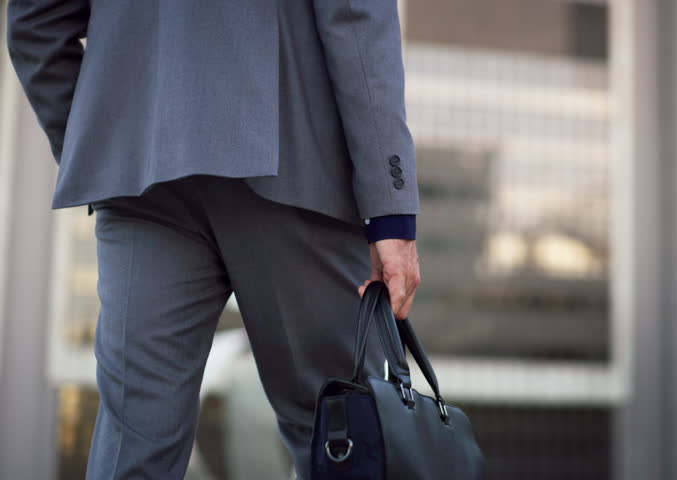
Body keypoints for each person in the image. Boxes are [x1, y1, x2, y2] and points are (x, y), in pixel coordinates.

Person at [6, 1, 421, 478]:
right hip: (293, 160)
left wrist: (109, 151)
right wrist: (389, 209)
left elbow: (34, 23)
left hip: (145, 181)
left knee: (135, 449)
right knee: (334, 434)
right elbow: (353, 12)